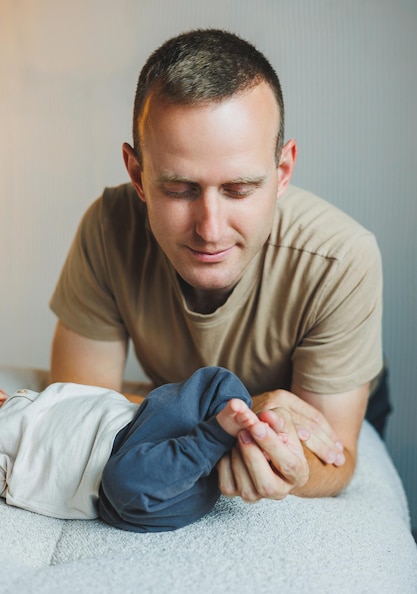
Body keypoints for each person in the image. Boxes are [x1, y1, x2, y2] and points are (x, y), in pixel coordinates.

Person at [49, 28, 389, 503]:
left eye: (240, 188)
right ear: (137, 175)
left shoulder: (340, 259)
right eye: (180, 189)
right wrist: (233, 416)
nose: (210, 229)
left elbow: (334, 455)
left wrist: (269, 452)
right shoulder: (109, 228)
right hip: (221, 400)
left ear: (283, 172)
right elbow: (77, 408)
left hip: (327, 385)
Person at [0, 366, 266, 532]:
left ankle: (245, 432)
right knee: (124, 480)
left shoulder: (22, 398)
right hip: (129, 484)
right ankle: (213, 441)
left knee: (214, 381)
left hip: (141, 423)